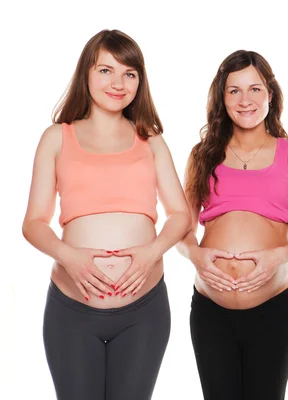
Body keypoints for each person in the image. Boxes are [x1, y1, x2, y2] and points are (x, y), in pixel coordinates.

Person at [21, 30, 190, 400]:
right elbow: (33, 223)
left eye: (129, 73)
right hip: (72, 312)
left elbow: (180, 214)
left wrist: (150, 253)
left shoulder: (151, 140)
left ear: (140, 82)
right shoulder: (57, 137)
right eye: (106, 70)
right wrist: (70, 258)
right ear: (86, 74)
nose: (118, 83)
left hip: (143, 313)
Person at [177, 50, 288, 400]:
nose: (245, 100)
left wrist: (277, 257)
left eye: (255, 89)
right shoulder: (201, 155)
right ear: (221, 99)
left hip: (273, 310)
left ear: (270, 94)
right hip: (210, 311)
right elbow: (181, 230)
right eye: (234, 90)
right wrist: (195, 255)